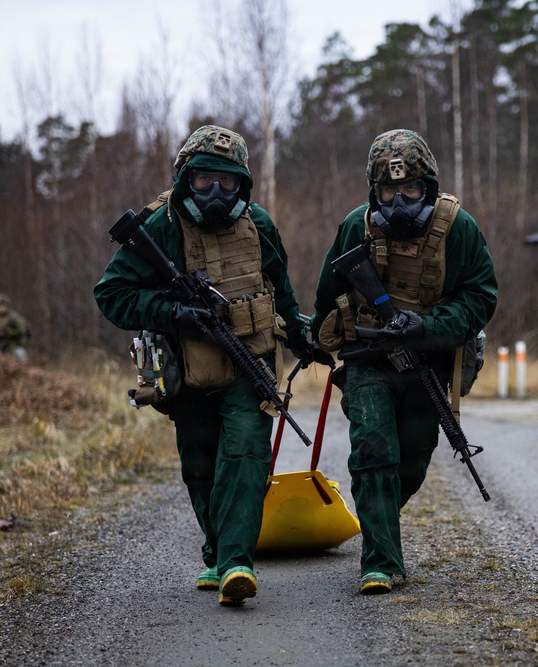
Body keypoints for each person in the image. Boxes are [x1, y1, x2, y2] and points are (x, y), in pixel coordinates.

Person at [94, 125, 329, 607]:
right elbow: (112, 295)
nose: (217, 193)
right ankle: (219, 552)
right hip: (187, 371)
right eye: (204, 181)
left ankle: (237, 563)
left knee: (244, 457)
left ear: (243, 184)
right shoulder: (160, 225)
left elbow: (280, 291)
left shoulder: (258, 224)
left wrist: (304, 336)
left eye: (228, 183)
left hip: (250, 365)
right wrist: (174, 313)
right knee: (200, 467)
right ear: (185, 180)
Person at [311, 129, 498, 594]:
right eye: (389, 190)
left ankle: (379, 522)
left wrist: (426, 326)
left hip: (427, 362)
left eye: (409, 189)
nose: (399, 199)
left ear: (427, 188)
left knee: (412, 460)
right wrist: (312, 338)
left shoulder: (458, 228)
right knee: (373, 451)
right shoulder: (358, 226)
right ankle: (380, 564)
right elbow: (326, 292)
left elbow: (480, 296)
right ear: (375, 190)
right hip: (368, 358)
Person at [0, 293, 31, 361]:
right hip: (1, 345)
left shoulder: (14, 317)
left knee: (20, 359)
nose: (1, 307)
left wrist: (8, 331)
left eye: (2, 305)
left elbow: (21, 331)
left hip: (15, 345)